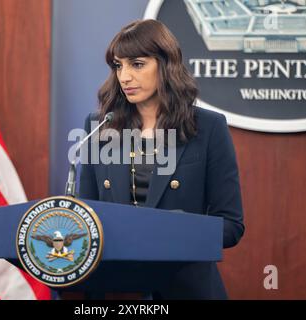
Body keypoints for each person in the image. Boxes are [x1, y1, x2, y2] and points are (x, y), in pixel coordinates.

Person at [78, 19, 244, 299]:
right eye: (119, 65)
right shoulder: (98, 126)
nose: (125, 77)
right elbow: (85, 217)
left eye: (137, 64)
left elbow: (231, 225)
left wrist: (171, 232)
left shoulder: (208, 127)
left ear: (166, 65)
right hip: (115, 290)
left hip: (186, 288)